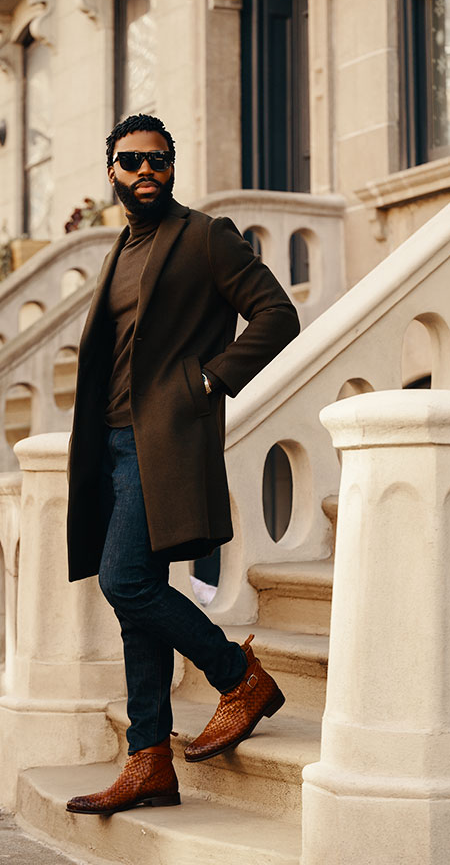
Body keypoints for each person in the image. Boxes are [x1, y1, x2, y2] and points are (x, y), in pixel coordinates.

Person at [65, 113, 300, 816]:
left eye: (158, 161)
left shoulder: (202, 238)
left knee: (125, 580)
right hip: (106, 443)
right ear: (110, 168)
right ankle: (149, 763)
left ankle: (239, 676)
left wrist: (209, 379)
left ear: (171, 167)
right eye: (132, 160)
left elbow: (275, 314)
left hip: (157, 441)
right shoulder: (121, 248)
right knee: (135, 605)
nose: (146, 172)